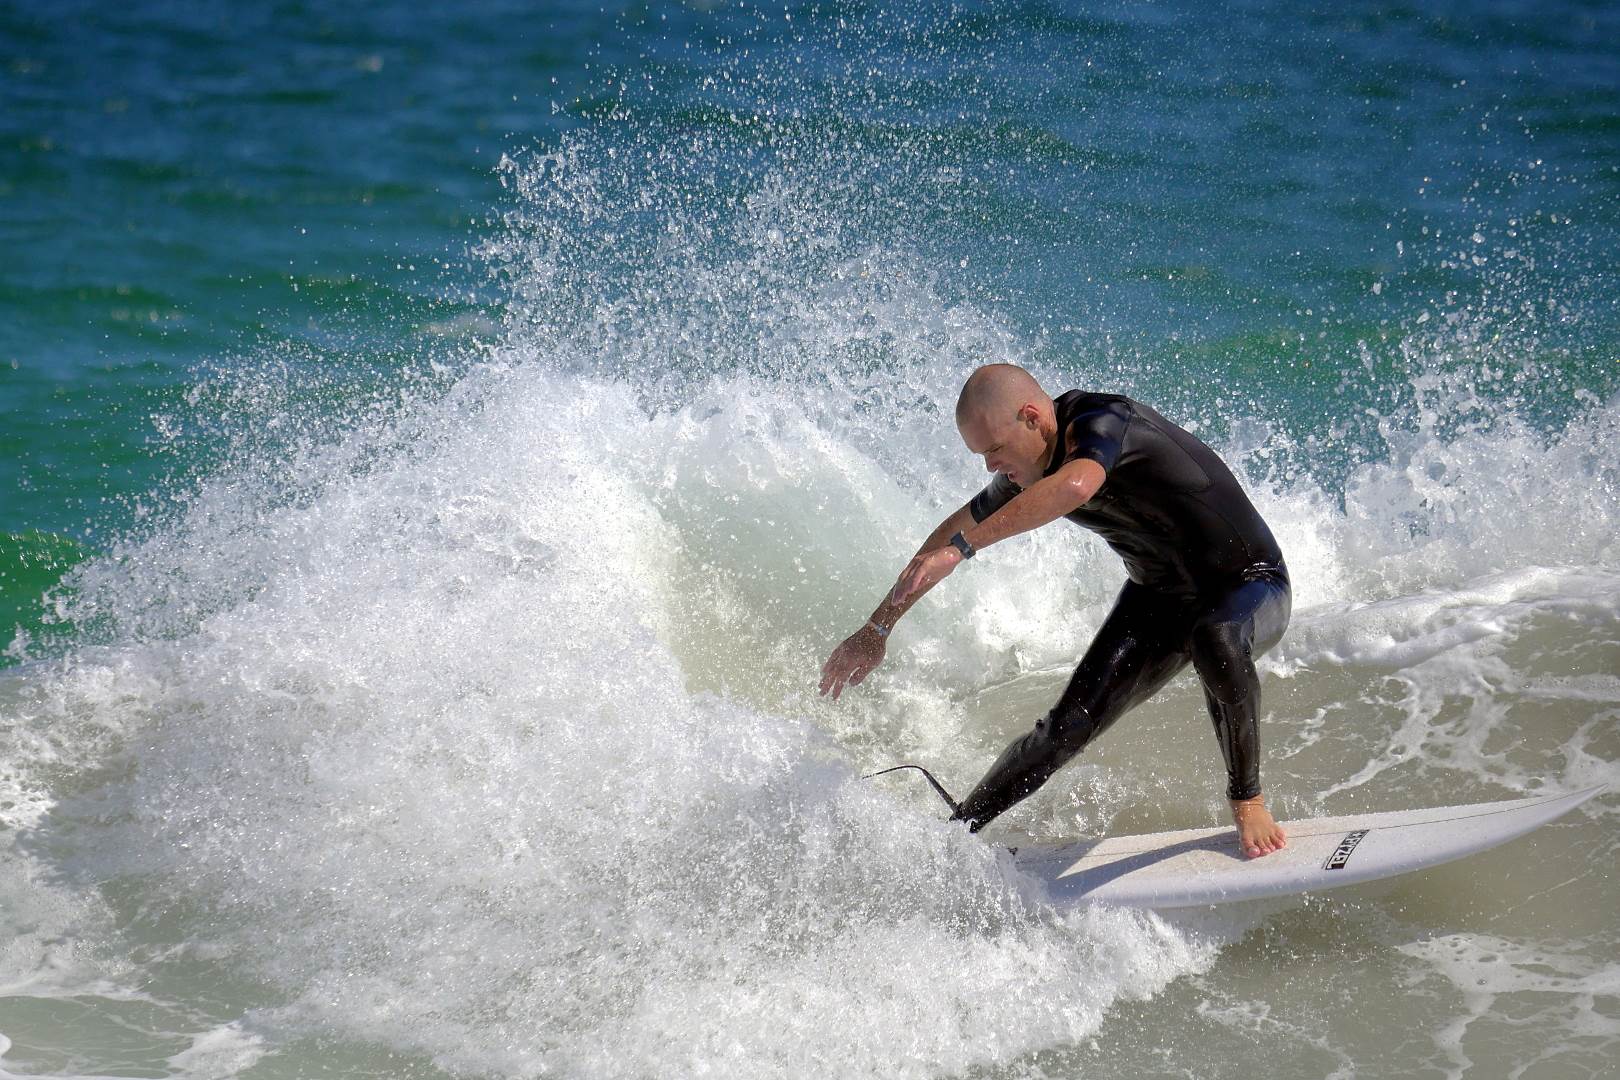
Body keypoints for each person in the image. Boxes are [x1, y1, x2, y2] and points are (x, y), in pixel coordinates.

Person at [818, 363, 1292, 858]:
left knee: (1216, 638)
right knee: (1063, 729)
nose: (990, 467)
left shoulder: (1103, 421)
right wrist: (877, 628)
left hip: (1249, 584)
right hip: (1160, 599)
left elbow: (1076, 486)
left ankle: (1248, 800)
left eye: (994, 450)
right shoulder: (1026, 471)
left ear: (1031, 417)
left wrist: (962, 550)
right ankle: (954, 837)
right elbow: (945, 534)